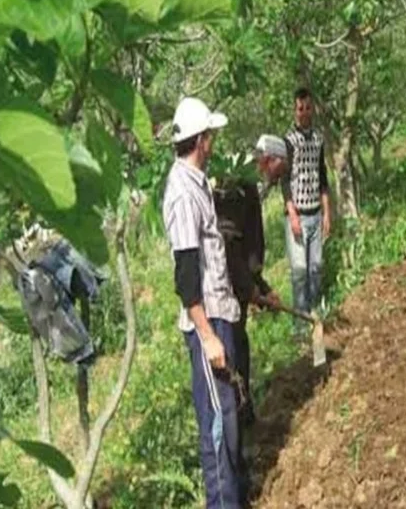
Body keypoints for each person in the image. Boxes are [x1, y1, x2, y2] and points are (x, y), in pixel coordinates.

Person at [162, 97, 249, 507]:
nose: (213, 142)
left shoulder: (198, 184)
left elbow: (214, 256)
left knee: (229, 417)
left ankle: (237, 496)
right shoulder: (182, 194)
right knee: (216, 426)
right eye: (211, 136)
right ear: (201, 141)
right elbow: (186, 274)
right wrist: (208, 336)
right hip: (206, 326)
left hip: (220, 313)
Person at [212, 136, 286, 429]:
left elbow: (246, 251)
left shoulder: (248, 187)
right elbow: (228, 246)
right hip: (223, 292)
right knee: (233, 356)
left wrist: (263, 288)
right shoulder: (238, 187)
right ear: (270, 160)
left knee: (241, 349)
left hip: (237, 288)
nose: (280, 178)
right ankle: (239, 428)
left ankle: (246, 420)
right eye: (282, 168)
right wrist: (249, 289)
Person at [282, 88, 332, 319]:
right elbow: (285, 181)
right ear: (295, 110)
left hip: (315, 212)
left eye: (307, 108)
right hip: (298, 214)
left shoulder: (319, 139)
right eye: (300, 108)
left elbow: (323, 177)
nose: (304, 113)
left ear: (313, 109)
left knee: (316, 267)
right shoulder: (289, 141)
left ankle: (315, 312)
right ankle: (301, 319)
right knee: (300, 270)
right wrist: (292, 214)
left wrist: (327, 214)